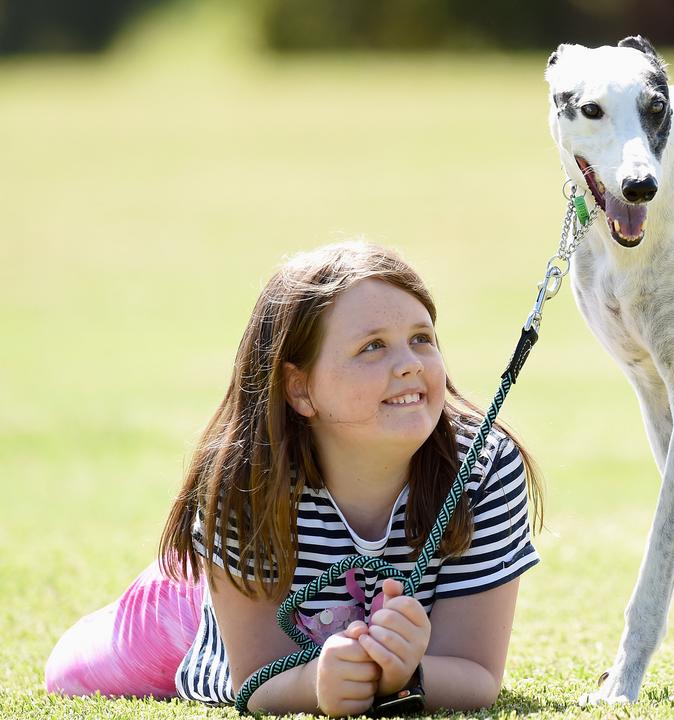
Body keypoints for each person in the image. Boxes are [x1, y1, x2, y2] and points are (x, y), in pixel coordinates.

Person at [45, 240, 542, 716]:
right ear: (301, 389)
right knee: (68, 678)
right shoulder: (244, 483)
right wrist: (314, 686)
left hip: (275, 601)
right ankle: (191, 579)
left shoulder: (484, 467)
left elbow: (476, 675)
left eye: (421, 339)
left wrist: (404, 678)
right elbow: (256, 680)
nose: (410, 364)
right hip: (199, 613)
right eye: (372, 347)